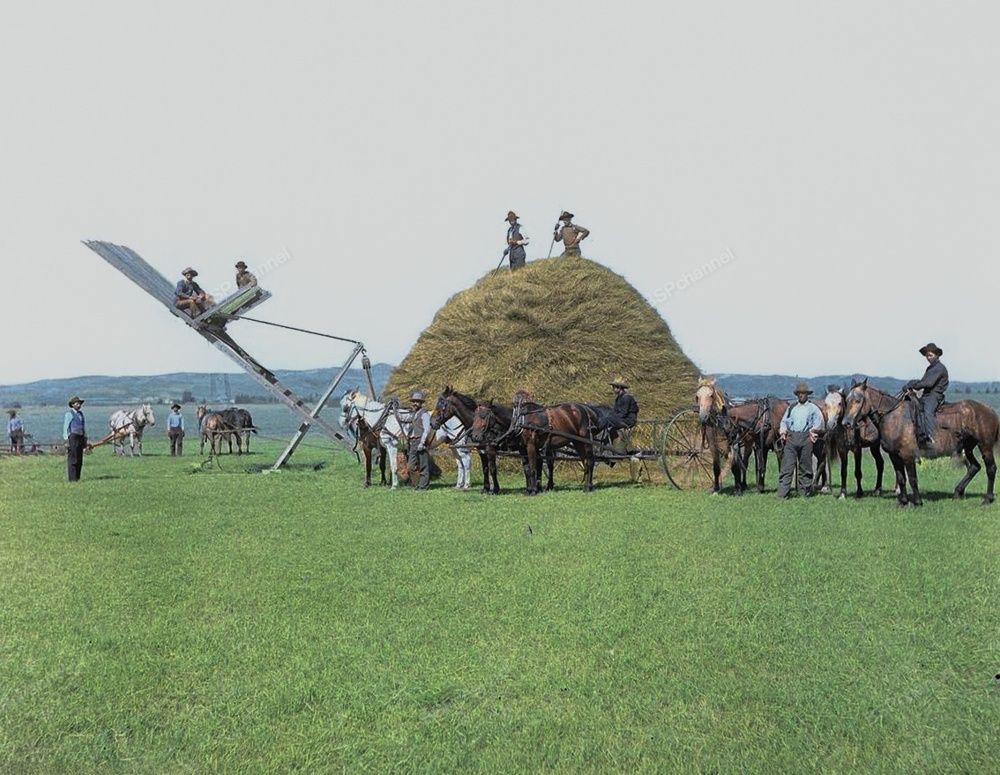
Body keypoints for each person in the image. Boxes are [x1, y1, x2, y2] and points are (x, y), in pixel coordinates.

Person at [777, 382, 824, 498]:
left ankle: (804, 492)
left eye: (803, 393)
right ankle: (783, 493)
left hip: (806, 438)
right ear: (797, 395)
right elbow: (784, 421)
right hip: (791, 438)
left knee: (805, 467)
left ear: (807, 394)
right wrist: (783, 431)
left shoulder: (813, 408)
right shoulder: (791, 407)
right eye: (799, 393)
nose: (801, 395)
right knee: (787, 467)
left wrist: (813, 431)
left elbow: (819, 422)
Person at [905, 342, 949, 445]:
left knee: (927, 411)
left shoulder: (939, 368)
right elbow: (923, 381)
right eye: (927, 356)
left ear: (936, 355)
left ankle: (931, 437)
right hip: (927, 394)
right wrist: (912, 384)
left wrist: (913, 385)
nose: (928, 358)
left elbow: (928, 383)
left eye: (930, 355)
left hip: (934, 395)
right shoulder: (931, 368)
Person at [407, 391, 432, 490]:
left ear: (421, 403)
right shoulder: (414, 414)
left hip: (420, 441)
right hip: (413, 442)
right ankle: (417, 483)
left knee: (423, 465)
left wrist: (422, 442)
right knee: (410, 466)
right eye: (414, 401)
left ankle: (423, 486)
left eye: (417, 402)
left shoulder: (424, 414)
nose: (415, 403)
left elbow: (426, 429)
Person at [606, 377, 639, 451]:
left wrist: (612, 418)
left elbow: (623, 413)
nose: (613, 389)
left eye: (614, 387)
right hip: (622, 418)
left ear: (619, 388)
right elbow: (615, 411)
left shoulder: (626, 398)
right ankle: (615, 447)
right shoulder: (618, 398)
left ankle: (629, 449)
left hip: (629, 419)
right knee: (607, 420)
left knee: (609, 420)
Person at [63, 396, 87, 482]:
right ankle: (72, 478)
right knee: (73, 458)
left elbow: (83, 426)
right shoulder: (69, 414)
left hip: (81, 436)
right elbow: (66, 427)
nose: (79, 405)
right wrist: (66, 439)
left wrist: (85, 437)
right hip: (73, 437)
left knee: (79, 457)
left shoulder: (81, 414)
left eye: (79, 403)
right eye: (77, 403)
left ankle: (77, 477)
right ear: (72, 404)